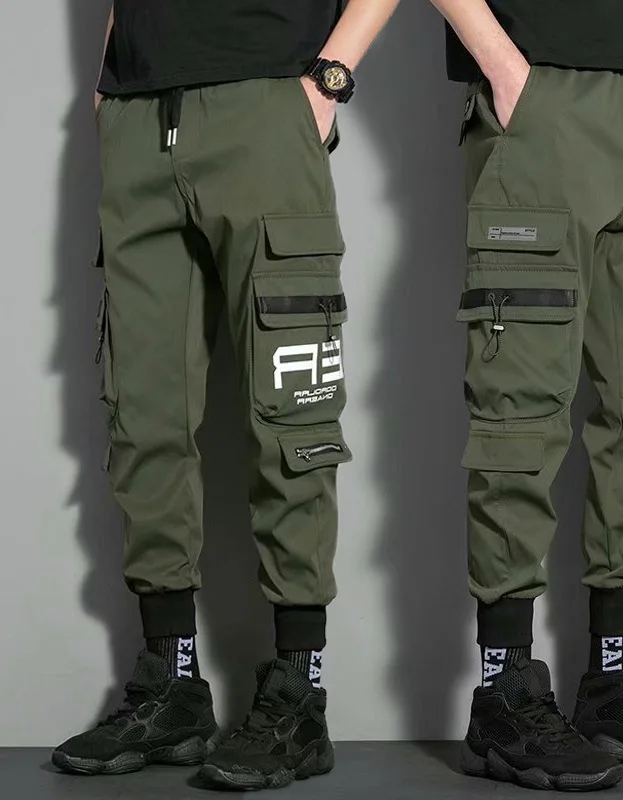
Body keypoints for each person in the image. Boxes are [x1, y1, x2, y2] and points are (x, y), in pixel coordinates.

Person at [52, 0, 399, 790]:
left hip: (266, 104)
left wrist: (329, 79)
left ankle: (299, 694)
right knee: (144, 413)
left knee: (294, 417)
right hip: (139, 117)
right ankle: (169, 685)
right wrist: (107, 86)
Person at [429, 0, 623, 790]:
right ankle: (504, 691)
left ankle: (615, 681)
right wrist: (505, 68)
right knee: (520, 410)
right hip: (541, 98)